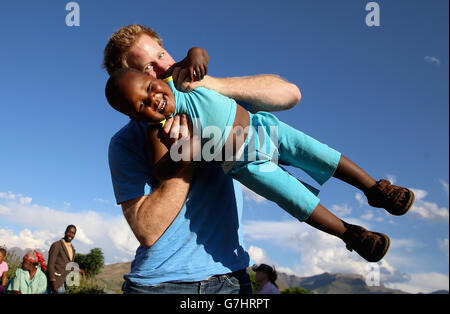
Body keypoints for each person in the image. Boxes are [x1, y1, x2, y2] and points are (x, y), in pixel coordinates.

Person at [105, 67, 415, 263]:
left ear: (154, 77)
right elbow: (161, 169)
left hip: (264, 130)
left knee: (320, 154)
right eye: (141, 106)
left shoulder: (179, 82)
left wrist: (197, 56)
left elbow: (194, 57)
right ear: (136, 117)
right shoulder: (159, 131)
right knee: (294, 198)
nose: (153, 100)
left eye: (149, 88)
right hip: (246, 165)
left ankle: (375, 189)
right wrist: (181, 155)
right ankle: (352, 234)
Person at [103, 24, 302, 294]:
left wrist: (211, 86)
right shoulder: (125, 142)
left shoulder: (211, 101)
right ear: (128, 82)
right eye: (147, 68)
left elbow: (289, 94)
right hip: (162, 284)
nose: (162, 69)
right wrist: (184, 157)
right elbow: (147, 230)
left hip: (232, 277)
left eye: (161, 55)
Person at [47, 225, 77, 294]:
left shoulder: (72, 248)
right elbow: (50, 265)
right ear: (65, 232)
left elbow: (69, 265)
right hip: (55, 284)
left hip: (64, 284)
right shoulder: (56, 245)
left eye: (73, 233)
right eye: (69, 232)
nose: (70, 235)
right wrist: (53, 283)